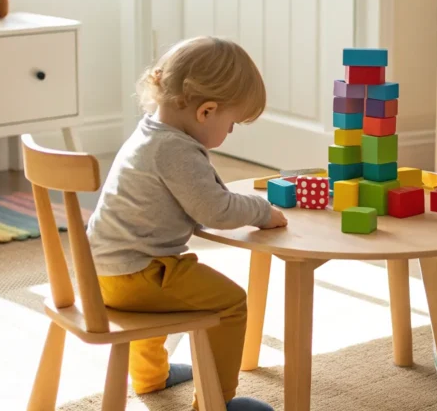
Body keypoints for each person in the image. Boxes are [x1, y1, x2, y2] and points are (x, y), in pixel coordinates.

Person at [87, 36, 287, 411]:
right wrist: (262, 212)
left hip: (101, 272)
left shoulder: (151, 131)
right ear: (207, 111)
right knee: (231, 303)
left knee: (166, 287)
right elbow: (216, 211)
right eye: (232, 124)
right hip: (137, 276)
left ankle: (151, 376)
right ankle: (216, 403)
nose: (229, 133)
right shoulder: (176, 150)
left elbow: (196, 200)